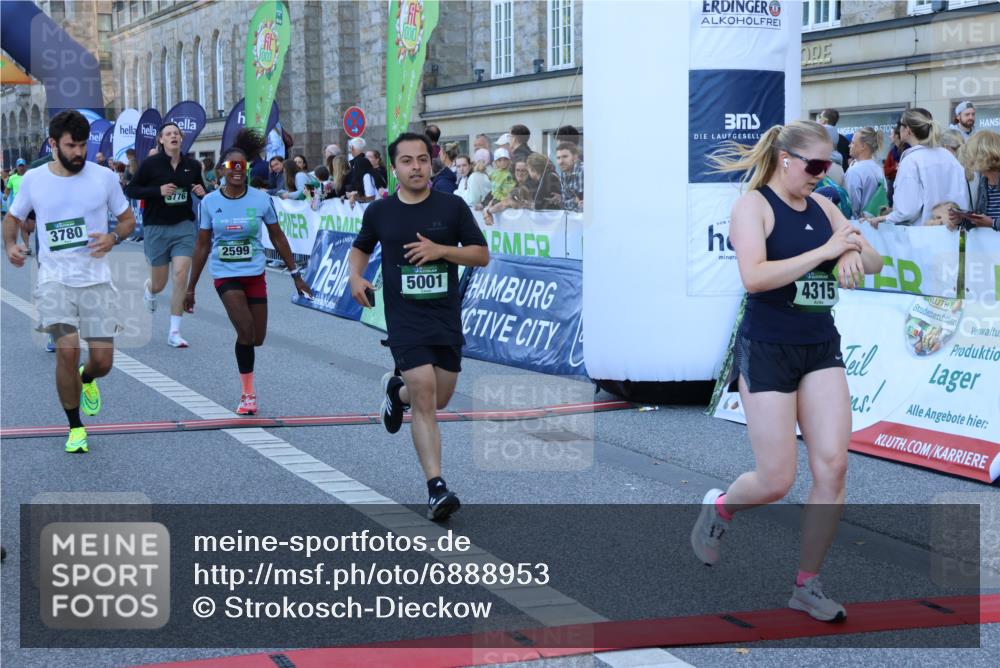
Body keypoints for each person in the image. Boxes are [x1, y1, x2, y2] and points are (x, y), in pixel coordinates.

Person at [693, 120, 883, 622]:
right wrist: (824, 251)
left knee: (833, 466)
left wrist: (851, 245)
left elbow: (878, 262)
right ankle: (721, 508)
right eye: (815, 166)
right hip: (769, 347)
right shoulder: (752, 206)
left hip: (820, 347)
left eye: (830, 167)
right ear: (785, 160)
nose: (822, 176)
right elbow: (755, 277)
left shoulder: (823, 204)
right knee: (777, 479)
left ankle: (807, 585)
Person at [348, 132, 489, 521]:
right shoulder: (380, 212)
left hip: (444, 317)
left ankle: (397, 391)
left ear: (432, 163)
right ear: (394, 169)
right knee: (426, 395)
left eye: (422, 160)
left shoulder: (453, 207)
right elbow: (360, 248)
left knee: (438, 398)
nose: (416, 167)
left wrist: (441, 250)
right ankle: (436, 488)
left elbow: (481, 255)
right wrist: (356, 278)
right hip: (404, 319)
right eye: (407, 161)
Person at [3, 110, 136, 453]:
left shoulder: (104, 177)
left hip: (95, 279)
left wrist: (113, 238)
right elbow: (12, 217)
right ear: (53, 144)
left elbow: (127, 220)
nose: (79, 152)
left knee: (103, 361)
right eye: (71, 145)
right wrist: (11, 245)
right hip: (54, 280)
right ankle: (76, 426)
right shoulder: (33, 178)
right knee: (66, 349)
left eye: (83, 145)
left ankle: (87, 378)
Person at [185, 145, 312, 415]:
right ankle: (248, 394)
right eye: (232, 166)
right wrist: (190, 288)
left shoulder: (260, 200)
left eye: (243, 166)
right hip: (225, 274)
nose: (238, 171)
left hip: (254, 273)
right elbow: (202, 245)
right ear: (221, 170)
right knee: (244, 330)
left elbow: (277, 237)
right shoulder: (209, 203)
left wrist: (295, 275)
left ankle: (247, 379)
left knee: (257, 338)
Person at [124, 122, 206, 347]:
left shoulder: (192, 165)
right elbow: (130, 189)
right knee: (159, 283)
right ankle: (150, 291)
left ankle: (174, 332)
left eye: (176, 134)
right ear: (160, 140)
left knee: (180, 276)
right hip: (156, 227)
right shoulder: (150, 164)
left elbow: (200, 189)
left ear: (181, 139)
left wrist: (202, 191)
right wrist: (156, 191)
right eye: (168, 134)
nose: (173, 137)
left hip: (184, 227)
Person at [868, 108, 969, 228]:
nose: (898, 128)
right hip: (952, 235)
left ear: (908, 130)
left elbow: (907, 210)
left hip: (922, 237)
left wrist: (884, 218)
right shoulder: (948, 156)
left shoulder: (911, 161)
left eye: (900, 124)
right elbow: (963, 199)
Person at [952, 129, 1000, 232]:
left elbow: (990, 222)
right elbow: (983, 220)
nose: (968, 158)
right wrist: (962, 220)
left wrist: (993, 223)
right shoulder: (984, 181)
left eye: (971, 154)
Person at [844, 127, 885, 216]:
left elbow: (851, 205)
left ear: (863, 146)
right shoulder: (878, 169)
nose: (849, 145)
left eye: (853, 142)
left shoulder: (854, 171)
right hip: (877, 223)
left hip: (859, 224)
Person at [4, 159, 30, 252]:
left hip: (31, 204)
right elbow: (7, 189)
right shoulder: (12, 178)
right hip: (19, 205)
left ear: (25, 166)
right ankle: (26, 247)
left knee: (29, 226)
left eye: (23, 165)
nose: (21, 167)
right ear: (17, 167)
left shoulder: (29, 176)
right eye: (20, 166)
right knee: (22, 225)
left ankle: (25, 241)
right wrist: (5, 196)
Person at [555, 141, 584, 212]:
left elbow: (582, 207)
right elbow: (563, 204)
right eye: (558, 158)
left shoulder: (583, 171)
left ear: (575, 157)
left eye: (565, 156)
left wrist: (571, 202)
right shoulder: (563, 174)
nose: (560, 161)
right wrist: (574, 201)